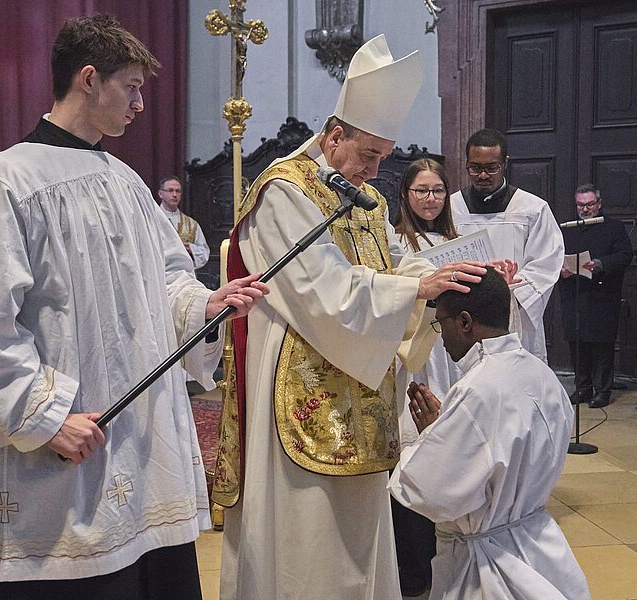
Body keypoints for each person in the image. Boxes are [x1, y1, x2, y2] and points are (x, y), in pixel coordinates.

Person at [0, 15, 267, 599]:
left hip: (139, 450)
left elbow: (167, 279)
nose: (141, 103)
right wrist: (44, 419)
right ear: (89, 79)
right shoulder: (7, 181)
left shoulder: (126, 181)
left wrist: (205, 304)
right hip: (66, 452)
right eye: (132, 87)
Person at [219, 35, 487, 600]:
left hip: (359, 383)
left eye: (385, 157)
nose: (376, 168)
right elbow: (326, 292)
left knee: (361, 531)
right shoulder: (284, 192)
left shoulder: (357, 192)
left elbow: (388, 261)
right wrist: (415, 286)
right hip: (303, 382)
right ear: (335, 136)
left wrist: (446, 271)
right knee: (307, 538)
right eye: (369, 154)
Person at [388, 268, 590, 600]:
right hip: (537, 542)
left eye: (440, 323)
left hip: (488, 565)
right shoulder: (541, 374)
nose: (440, 335)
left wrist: (428, 441)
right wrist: (446, 432)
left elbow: (429, 493)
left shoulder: (477, 391)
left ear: (465, 322)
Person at [390, 158, 460, 596]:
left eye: (437, 191)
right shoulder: (396, 240)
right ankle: (414, 566)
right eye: (422, 191)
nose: (430, 199)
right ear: (406, 195)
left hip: (453, 353)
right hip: (417, 352)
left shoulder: (457, 239)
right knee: (417, 452)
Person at [449, 128, 564, 363]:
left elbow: (546, 263)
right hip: (463, 314)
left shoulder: (532, 208)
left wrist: (504, 298)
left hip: (513, 315)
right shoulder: (451, 208)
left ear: (505, 163)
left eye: (492, 167)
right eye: (475, 168)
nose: (483, 175)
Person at [558, 184, 633, 408]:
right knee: (577, 344)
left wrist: (599, 264)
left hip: (602, 295)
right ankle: (582, 388)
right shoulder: (567, 229)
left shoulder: (614, 227)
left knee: (602, 346)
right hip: (574, 294)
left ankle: (602, 391)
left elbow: (625, 255)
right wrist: (561, 268)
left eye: (590, 204)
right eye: (581, 205)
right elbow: (553, 254)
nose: (585, 209)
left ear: (599, 204)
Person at [157, 175, 209, 269]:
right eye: (170, 190)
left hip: (184, 274)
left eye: (178, 191)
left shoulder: (191, 224)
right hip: (159, 271)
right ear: (161, 194)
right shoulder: (151, 219)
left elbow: (204, 252)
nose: (174, 194)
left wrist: (190, 248)